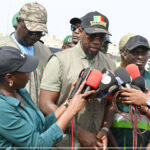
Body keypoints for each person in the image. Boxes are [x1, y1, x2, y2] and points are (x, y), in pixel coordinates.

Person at [40, 11, 116, 149]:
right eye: (92, 36)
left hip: (95, 144)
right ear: (80, 32)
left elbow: (110, 104)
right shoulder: (60, 61)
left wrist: (105, 129)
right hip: (64, 144)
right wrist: (79, 132)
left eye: (102, 37)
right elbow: (45, 104)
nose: (97, 42)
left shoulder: (109, 64)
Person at [0, 46, 95, 149]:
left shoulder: (20, 92)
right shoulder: (2, 108)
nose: (30, 73)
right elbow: (37, 145)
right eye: (25, 71)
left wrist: (68, 103)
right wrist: (71, 110)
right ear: (9, 77)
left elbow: (41, 126)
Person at [0, 2, 51, 106]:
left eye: (39, 33)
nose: (35, 37)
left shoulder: (45, 52)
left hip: (36, 117)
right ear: (19, 21)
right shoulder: (2, 48)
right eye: (31, 31)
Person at [110, 34, 150, 149]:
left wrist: (145, 102)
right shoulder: (113, 78)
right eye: (135, 52)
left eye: (144, 53)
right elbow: (104, 116)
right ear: (124, 53)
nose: (140, 57)